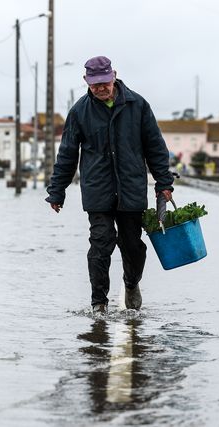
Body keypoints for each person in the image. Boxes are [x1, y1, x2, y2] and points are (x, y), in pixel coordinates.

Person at [45, 56, 174, 314]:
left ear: (113, 75)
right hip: (98, 191)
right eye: (94, 85)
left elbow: (155, 147)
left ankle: (131, 283)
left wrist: (164, 183)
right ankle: (99, 304)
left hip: (131, 189)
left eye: (104, 82)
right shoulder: (79, 112)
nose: (100, 88)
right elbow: (67, 154)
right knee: (101, 243)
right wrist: (57, 190)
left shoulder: (138, 105)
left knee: (132, 246)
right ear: (86, 82)